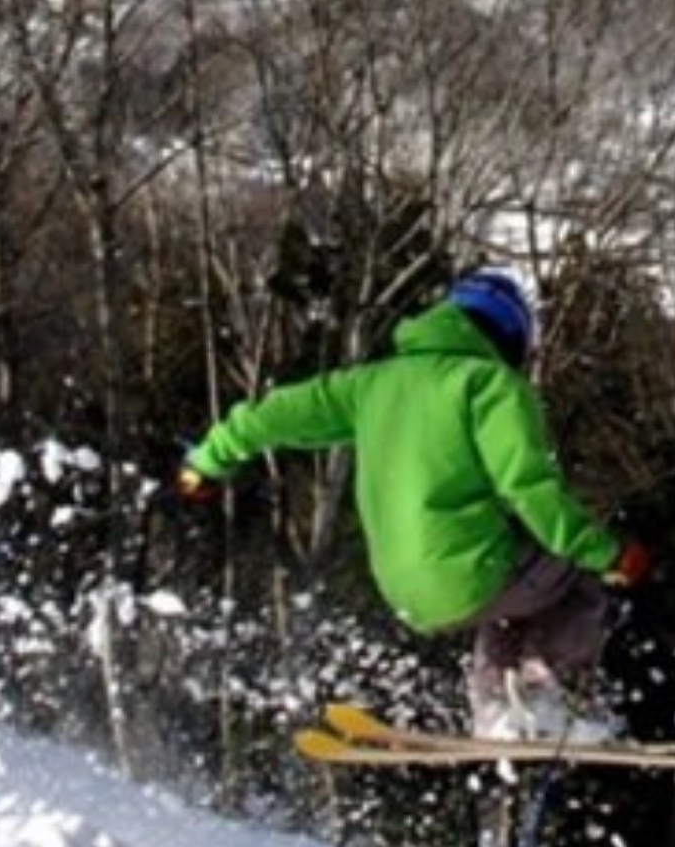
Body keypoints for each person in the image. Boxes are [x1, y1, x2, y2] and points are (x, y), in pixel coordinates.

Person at [175, 267, 650, 741]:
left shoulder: (373, 383)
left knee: (513, 589)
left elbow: (277, 414)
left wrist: (208, 460)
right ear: (513, 336)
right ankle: (545, 699)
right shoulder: (489, 385)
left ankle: (497, 709)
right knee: (575, 572)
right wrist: (608, 555)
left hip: (402, 590)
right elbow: (530, 488)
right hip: (469, 574)